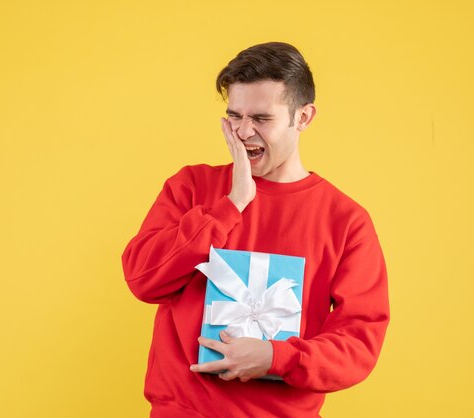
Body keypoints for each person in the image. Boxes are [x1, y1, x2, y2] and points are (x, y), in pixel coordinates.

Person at [121, 42, 390, 418]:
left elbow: (359, 343)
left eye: (262, 119)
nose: (244, 131)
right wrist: (230, 205)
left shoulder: (346, 221)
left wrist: (276, 357)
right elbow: (142, 278)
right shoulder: (191, 188)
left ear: (304, 117)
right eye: (234, 116)